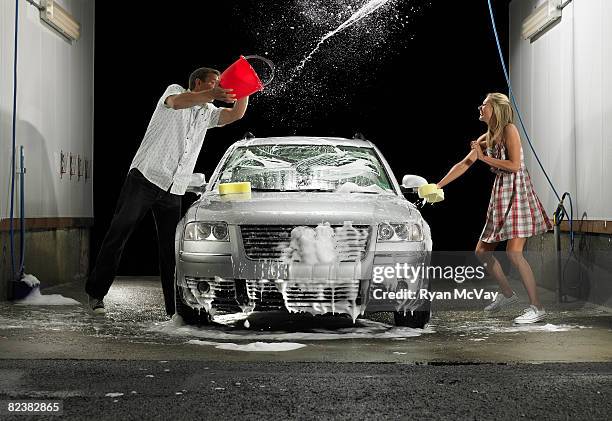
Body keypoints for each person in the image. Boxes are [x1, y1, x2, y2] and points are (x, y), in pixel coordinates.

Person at [86, 66, 248, 316]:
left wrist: (245, 88)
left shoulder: (208, 113)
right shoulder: (175, 92)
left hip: (175, 187)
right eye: (213, 82)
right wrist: (213, 94)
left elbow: (235, 115)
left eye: (219, 84)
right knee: (119, 233)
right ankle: (96, 293)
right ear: (197, 82)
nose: (217, 87)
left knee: (171, 250)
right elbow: (179, 102)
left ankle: (173, 309)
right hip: (146, 177)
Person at [436, 92, 552, 324]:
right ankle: (508, 294)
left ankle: (537, 308)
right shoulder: (487, 137)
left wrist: (483, 158)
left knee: (514, 253)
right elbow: (465, 164)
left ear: (496, 109)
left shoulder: (510, 129)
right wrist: (437, 186)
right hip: (501, 193)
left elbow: (514, 165)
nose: (480, 107)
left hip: (517, 191)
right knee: (482, 252)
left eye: (485, 105)